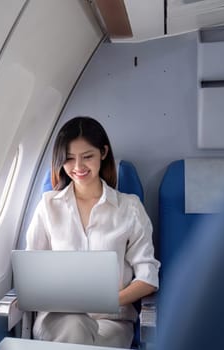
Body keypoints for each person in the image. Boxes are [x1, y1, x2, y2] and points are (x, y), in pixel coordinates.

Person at [26, 116, 160, 348]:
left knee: (78, 332)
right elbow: (30, 271)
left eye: (87, 156)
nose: (78, 167)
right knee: (73, 324)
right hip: (56, 319)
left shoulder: (129, 208)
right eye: (69, 159)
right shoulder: (47, 206)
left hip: (111, 322)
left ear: (103, 152)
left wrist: (108, 301)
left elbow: (148, 277)